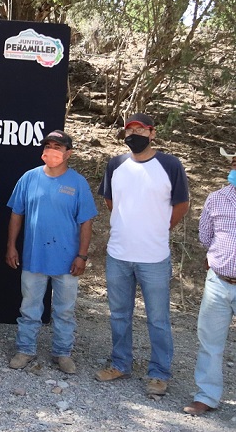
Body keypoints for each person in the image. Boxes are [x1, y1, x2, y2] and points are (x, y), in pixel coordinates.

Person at [95, 113, 189, 396]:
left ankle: (159, 373)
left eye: (139, 129)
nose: (133, 134)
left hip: (154, 257)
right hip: (119, 254)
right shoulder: (116, 164)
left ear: (152, 133)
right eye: (129, 130)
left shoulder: (170, 165)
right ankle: (121, 364)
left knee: (158, 318)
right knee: (119, 315)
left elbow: (181, 205)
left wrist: (160, 228)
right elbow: (111, 201)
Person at [5, 130, 98, 374]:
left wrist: (82, 255)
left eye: (58, 146)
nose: (52, 151)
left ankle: (62, 353)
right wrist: (11, 246)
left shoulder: (77, 183)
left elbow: (86, 221)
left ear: (69, 153)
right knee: (30, 307)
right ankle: (25, 349)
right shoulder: (29, 178)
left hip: (68, 260)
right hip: (34, 257)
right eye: (48, 145)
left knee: (65, 310)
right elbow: (17, 214)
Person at [183, 147, 236, 416]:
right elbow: (206, 237)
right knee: (210, 342)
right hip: (219, 281)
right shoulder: (216, 199)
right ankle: (206, 396)